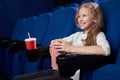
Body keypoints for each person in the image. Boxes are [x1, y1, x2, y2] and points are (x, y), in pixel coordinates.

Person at [12, 2, 110, 80]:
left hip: (69, 75)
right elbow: (60, 42)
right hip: (56, 70)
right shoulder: (77, 35)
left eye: (84, 15)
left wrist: (71, 48)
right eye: (79, 16)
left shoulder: (98, 35)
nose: (80, 19)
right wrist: (54, 44)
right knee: (17, 78)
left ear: (95, 19)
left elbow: (105, 50)